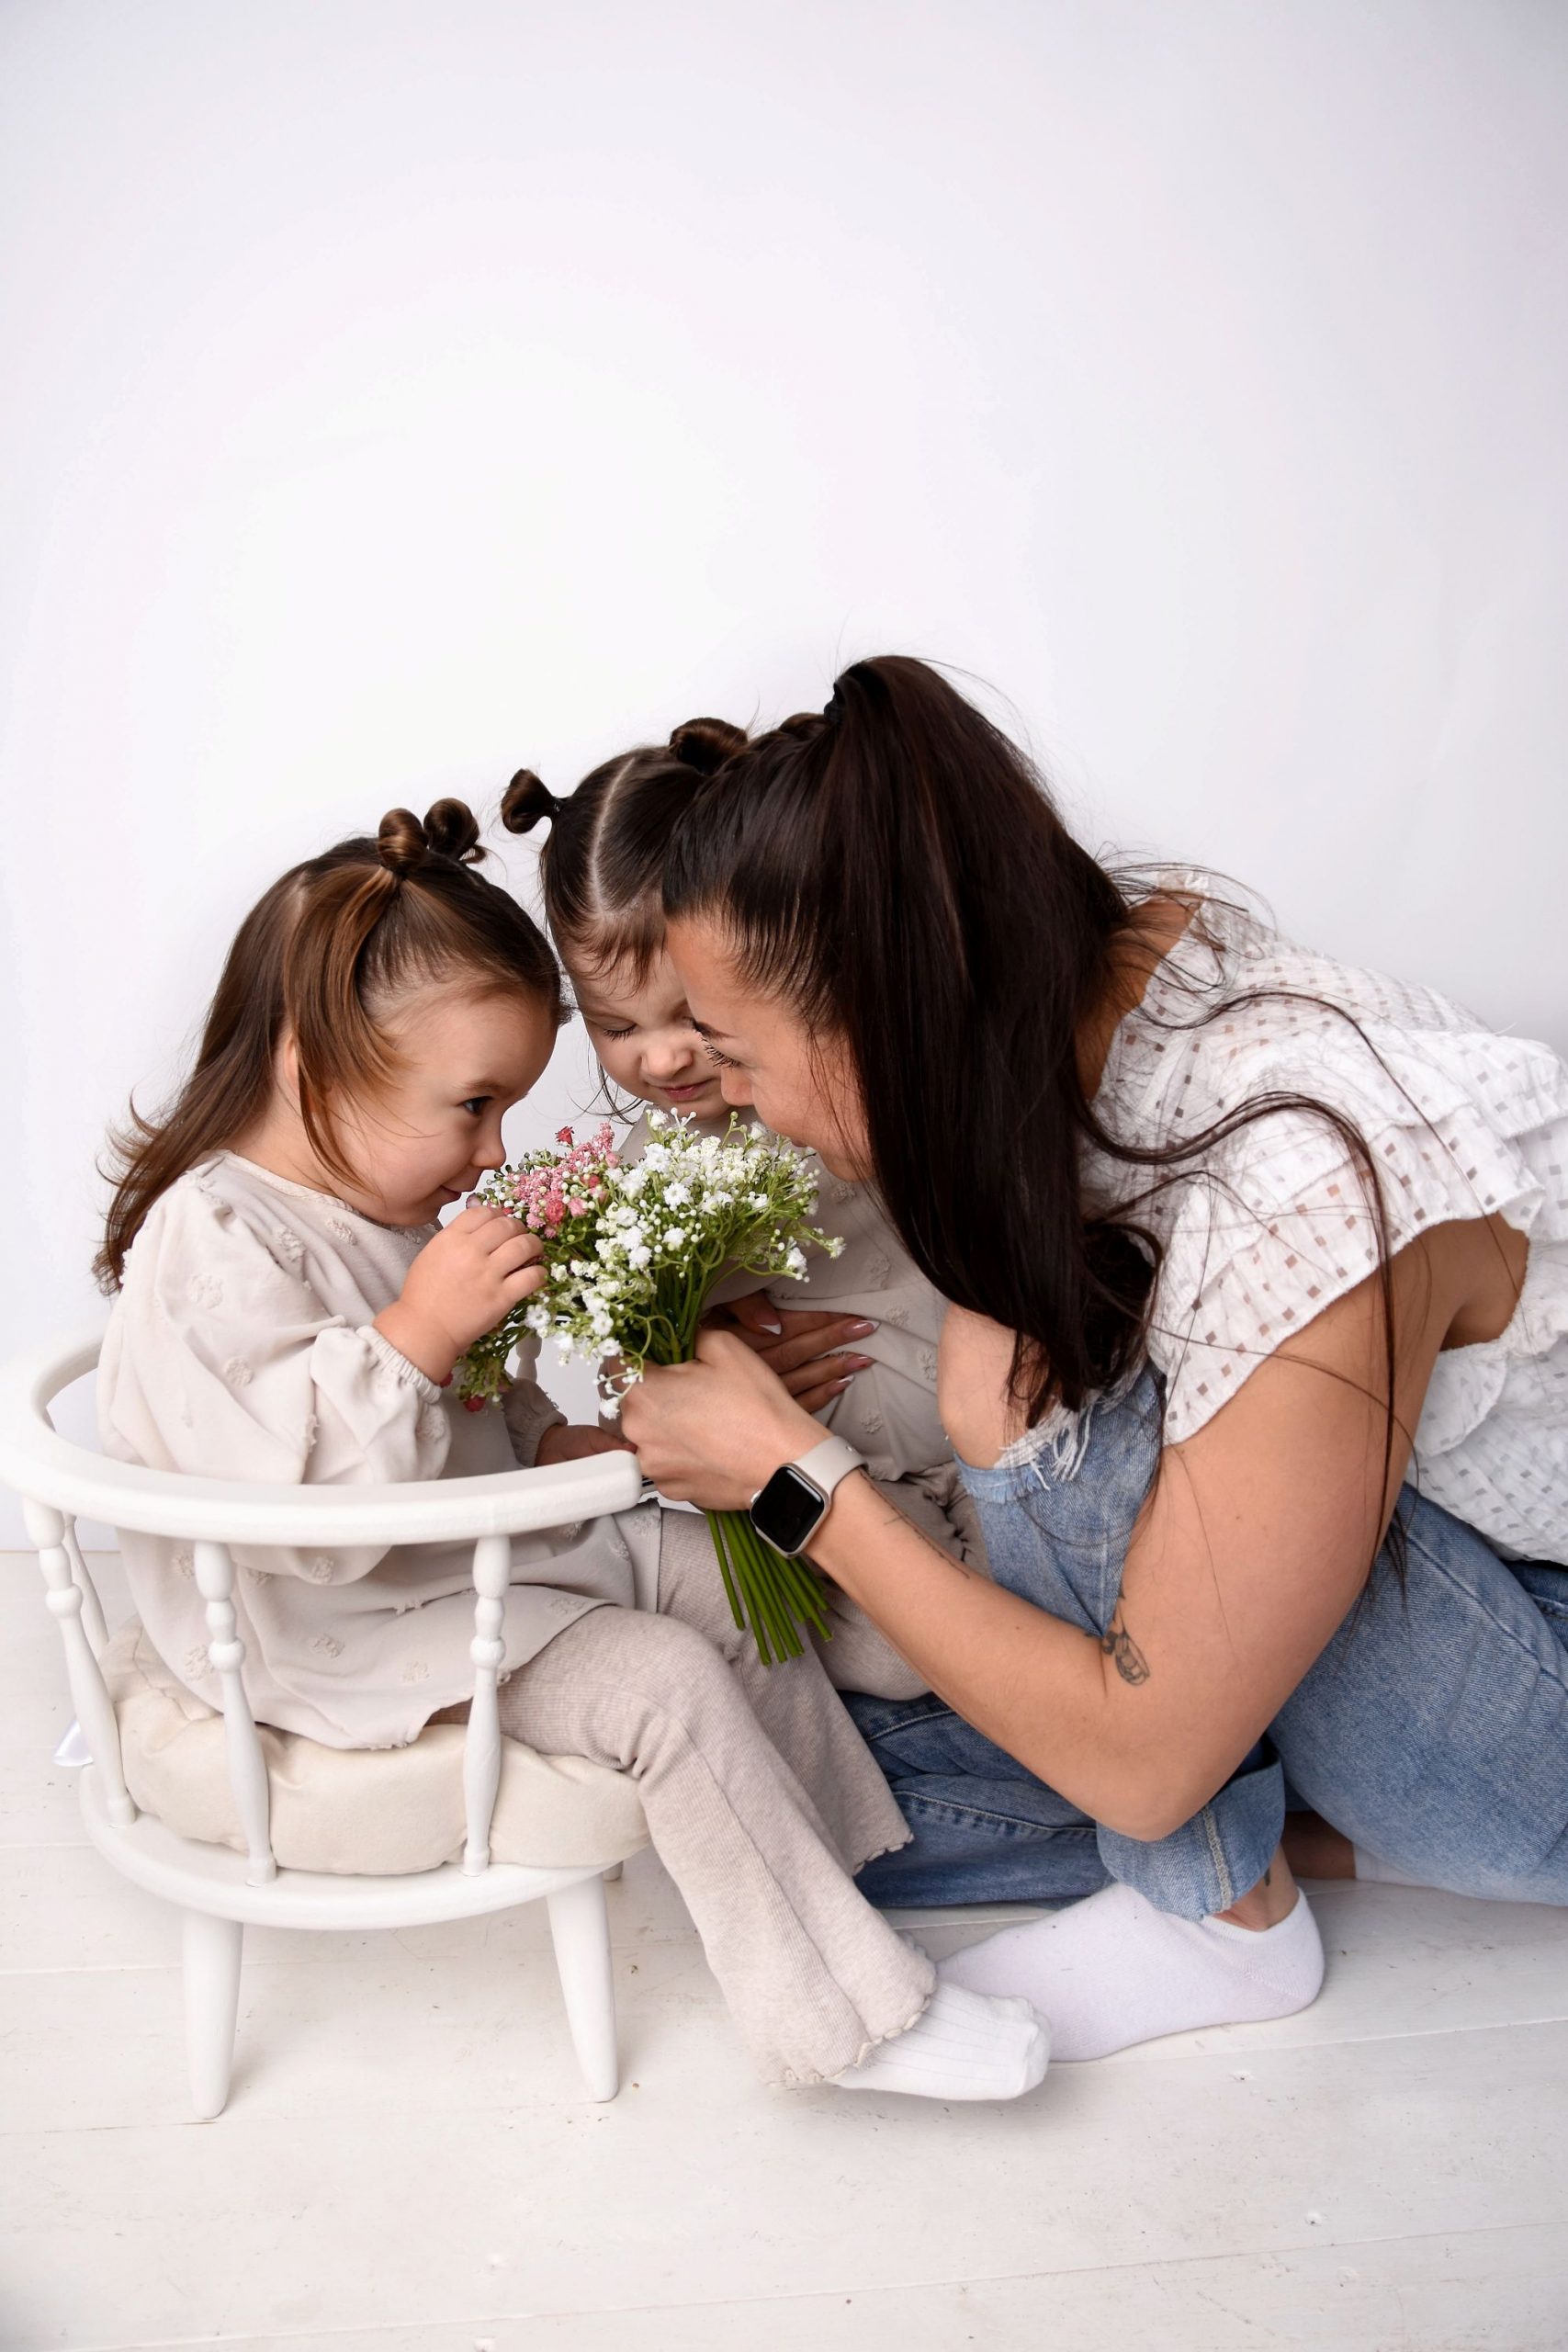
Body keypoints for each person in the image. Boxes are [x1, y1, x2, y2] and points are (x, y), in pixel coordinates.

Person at [617, 654, 1568, 2064]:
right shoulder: (1117, 971)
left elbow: (1141, 1755)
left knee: (1009, 1388)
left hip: (1535, 1708)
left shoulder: (1297, 1180)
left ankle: (1221, 1917)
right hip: (1463, 1614)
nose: (737, 1106)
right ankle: (1293, 1839)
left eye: (735, 1057)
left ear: (882, 1010)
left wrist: (791, 1482)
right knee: (811, 1776)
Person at [93, 795, 1050, 2100]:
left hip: (487, 1566)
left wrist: (569, 1435)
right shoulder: (214, 1240)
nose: (494, 1153)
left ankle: (831, 1895)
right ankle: (845, 2022)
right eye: (473, 1107)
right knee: (663, 1684)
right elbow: (304, 1529)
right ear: (313, 1072)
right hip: (359, 1635)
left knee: (753, 1587)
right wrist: (415, 1333)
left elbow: (484, 1406)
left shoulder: (380, 1194)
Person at [501, 728, 986, 1702]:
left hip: (977, 1459)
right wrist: (685, 1346)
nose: (664, 1058)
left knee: (1003, 1630)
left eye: (690, 1014)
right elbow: (626, 1378)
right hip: (828, 1492)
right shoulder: (646, 1178)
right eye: (616, 1026)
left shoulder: (842, 1097)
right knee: (876, 1655)